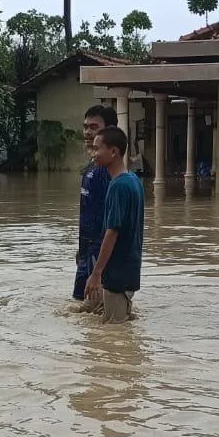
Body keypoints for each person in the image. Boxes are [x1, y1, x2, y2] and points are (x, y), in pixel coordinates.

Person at [85, 125, 145, 325]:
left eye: (97, 148)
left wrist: (96, 273)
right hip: (130, 269)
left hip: (117, 275)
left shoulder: (118, 187)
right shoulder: (133, 180)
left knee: (115, 334)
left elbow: (112, 233)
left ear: (113, 152)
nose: (93, 154)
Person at [74, 104, 118, 306]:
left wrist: (99, 269)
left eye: (93, 127)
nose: (87, 132)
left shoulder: (107, 171)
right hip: (87, 250)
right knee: (82, 309)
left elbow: (113, 223)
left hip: (98, 253)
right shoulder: (91, 168)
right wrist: (81, 251)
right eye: (85, 127)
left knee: (93, 310)